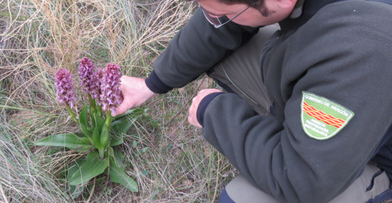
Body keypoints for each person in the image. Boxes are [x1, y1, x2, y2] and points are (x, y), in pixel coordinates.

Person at [114, 0, 392, 202]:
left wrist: (213, 112)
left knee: (240, 199)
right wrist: (152, 84)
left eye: (218, 15)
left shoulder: (360, 52)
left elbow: (301, 180)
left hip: (373, 150)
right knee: (224, 49)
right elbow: (223, 15)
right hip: (343, 79)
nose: (213, 20)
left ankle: (378, 182)